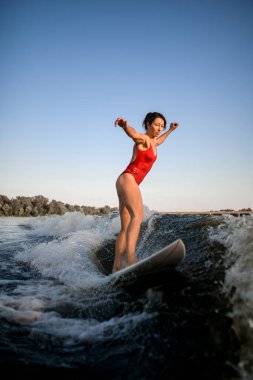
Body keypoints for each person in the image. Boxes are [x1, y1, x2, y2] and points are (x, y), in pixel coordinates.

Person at [113, 112, 179, 273]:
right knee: (138, 216)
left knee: (125, 227)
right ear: (148, 124)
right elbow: (133, 134)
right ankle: (130, 260)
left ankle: (116, 266)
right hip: (128, 180)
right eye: (156, 125)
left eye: (161, 126)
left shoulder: (154, 142)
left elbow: (159, 141)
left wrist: (170, 130)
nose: (159, 128)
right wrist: (124, 126)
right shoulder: (143, 139)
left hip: (124, 181)